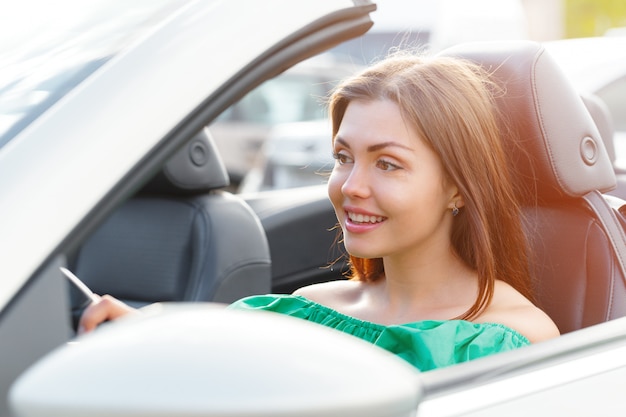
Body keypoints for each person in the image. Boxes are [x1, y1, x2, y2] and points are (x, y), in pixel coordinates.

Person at [78, 52, 560, 372]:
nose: (351, 187)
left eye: (388, 164)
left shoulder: (510, 340)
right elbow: (214, 362)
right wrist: (144, 335)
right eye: (343, 158)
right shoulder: (308, 312)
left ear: (458, 186)